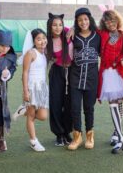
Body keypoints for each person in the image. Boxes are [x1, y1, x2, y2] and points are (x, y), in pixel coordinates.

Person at [67, 7, 101, 150]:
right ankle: (77, 136)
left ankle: (89, 136)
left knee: (89, 108)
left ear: (90, 20)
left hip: (92, 78)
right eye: (80, 20)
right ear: (76, 22)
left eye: (85, 19)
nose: (83, 22)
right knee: (75, 108)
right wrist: (69, 34)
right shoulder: (73, 36)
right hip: (75, 78)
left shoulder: (97, 36)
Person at [97, 10, 123, 154]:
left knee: (119, 102)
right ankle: (120, 136)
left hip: (119, 72)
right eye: (107, 21)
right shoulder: (101, 34)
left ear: (117, 20)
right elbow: (87, 27)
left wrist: (122, 59)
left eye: (112, 20)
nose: (110, 24)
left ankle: (117, 134)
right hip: (107, 72)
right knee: (113, 103)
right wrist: (71, 28)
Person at [13, 29, 49, 152]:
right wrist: (26, 91)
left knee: (43, 116)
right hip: (32, 87)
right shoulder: (31, 53)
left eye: (44, 38)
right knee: (32, 116)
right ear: (33, 41)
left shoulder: (44, 53)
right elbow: (25, 72)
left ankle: (23, 110)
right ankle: (33, 141)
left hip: (42, 88)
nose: (42, 41)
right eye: (38, 39)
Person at [46, 13, 73, 146]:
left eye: (60, 24)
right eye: (54, 25)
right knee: (56, 103)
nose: (58, 27)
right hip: (57, 72)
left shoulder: (68, 32)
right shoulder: (47, 40)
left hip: (71, 72)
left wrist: (72, 28)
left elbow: (79, 27)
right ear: (50, 26)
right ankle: (59, 134)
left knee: (69, 104)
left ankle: (67, 131)